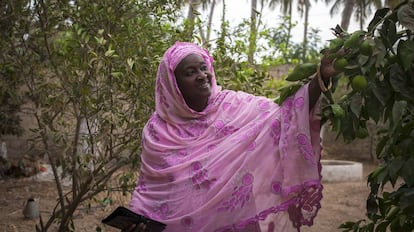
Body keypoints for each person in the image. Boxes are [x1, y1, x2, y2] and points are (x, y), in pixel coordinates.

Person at [128, 41, 337, 232]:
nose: (202, 75)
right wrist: (137, 220)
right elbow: (150, 188)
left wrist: (322, 78)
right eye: (190, 72)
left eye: (203, 68)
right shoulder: (158, 130)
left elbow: (285, 115)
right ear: (173, 83)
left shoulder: (234, 106)